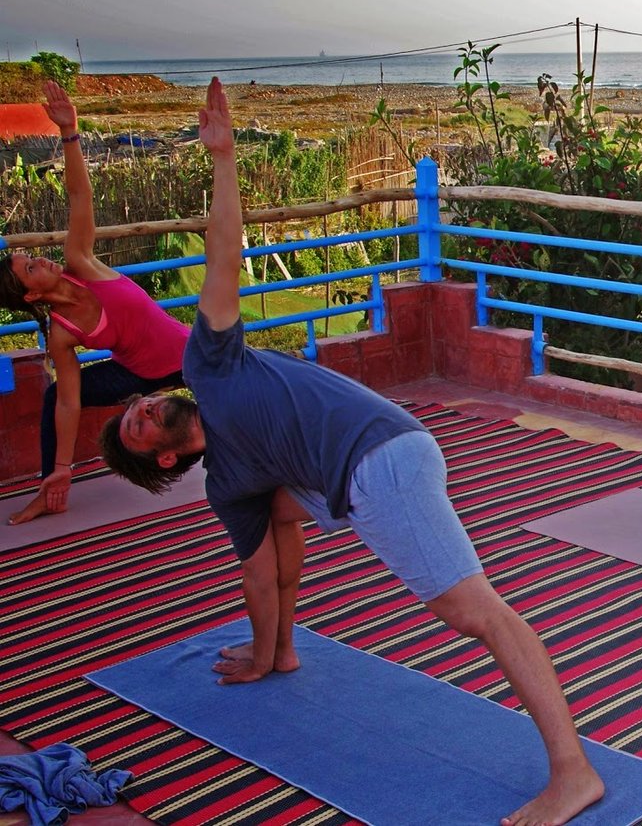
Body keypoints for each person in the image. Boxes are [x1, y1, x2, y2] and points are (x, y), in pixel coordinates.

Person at [96, 78, 603, 826]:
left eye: (138, 405)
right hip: (368, 464)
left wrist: (224, 159)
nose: (143, 408)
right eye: (136, 427)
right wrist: (270, 652)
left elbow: (224, 257)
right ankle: (284, 652)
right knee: (273, 513)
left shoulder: (209, 364)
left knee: (476, 612)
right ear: (162, 461)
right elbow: (261, 575)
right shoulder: (230, 481)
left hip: (380, 463)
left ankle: (572, 770)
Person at [1, 80, 190, 525]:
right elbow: (69, 404)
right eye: (31, 267)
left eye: (32, 257)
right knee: (56, 395)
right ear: (31, 294)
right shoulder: (62, 335)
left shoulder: (80, 263)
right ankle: (50, 487)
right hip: (137, 373)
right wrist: (61, 468)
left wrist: (70, 132)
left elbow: (79, 197)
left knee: (244, 394)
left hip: (190, 353)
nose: (41, 259)